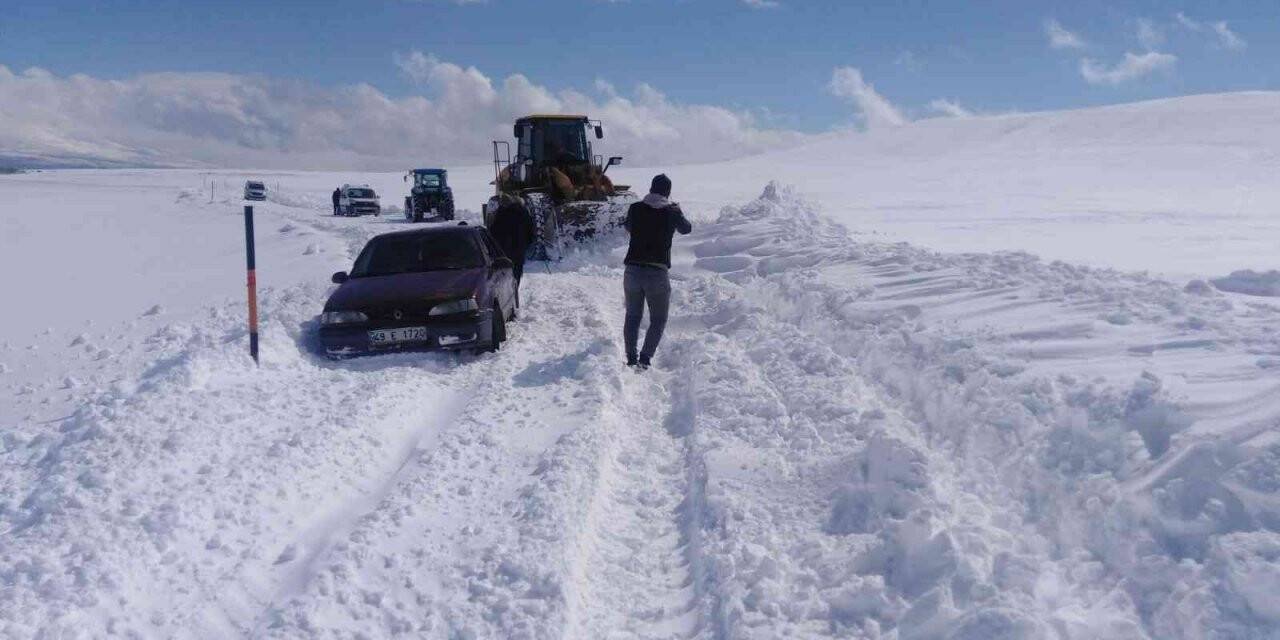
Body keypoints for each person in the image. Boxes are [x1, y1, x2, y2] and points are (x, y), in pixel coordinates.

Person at [622, 174, 692, 370]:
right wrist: (677, 211)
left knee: (633, 316)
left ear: (651, 189)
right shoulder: (672, 212)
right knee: (658, 319)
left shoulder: (635, 208)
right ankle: (645, 359)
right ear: (668, 192)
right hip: (657, 273)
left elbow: (628, 226)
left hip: (632, 270)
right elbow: (686, 229)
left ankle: (631, 357)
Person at [487, 195, 535, 303]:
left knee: (504, 276)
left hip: (503, 251)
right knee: (516, 276)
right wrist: (525, 245)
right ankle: (514, 298)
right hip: (519, 251)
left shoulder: (502, 213)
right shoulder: (524, 214)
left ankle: (506, 300)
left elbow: (493, 231)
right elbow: (531, 233)